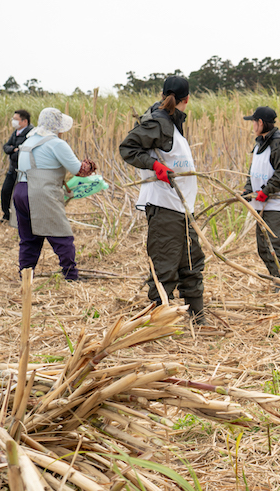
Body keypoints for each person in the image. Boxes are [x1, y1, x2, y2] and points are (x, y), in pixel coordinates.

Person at [118, 75, 206, 324]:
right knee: (165, 265)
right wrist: (155, 166)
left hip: (181, 206)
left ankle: (196, 316)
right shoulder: (159, 121)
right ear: (187, 99)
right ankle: (158, 323)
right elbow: (128, 147)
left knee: (191, 260)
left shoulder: (172, 122)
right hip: (165, 205)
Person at [11, 108, 96, 280]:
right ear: (57, 125)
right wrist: (89, 167)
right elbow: (77, 170)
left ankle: (26, 275)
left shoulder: (29, 140)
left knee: (29, 238)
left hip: (20, 190)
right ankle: (71, 275)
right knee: (61, 234)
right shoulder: (56, 143)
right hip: (40, 192)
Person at [241, 106, 280, 287]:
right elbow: (254, 172)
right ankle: (276, 279)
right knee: (263, 247)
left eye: (254, 122)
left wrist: (266, 191)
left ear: (261, 123)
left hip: (277, 205)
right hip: (262, 203)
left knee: (275, 246)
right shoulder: (259, 144)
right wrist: (248, 190)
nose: (253, 125)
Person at [2, 109, 34, 221]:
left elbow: (22, 153)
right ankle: (6, 215)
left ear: (24, 121)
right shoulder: (16, 132)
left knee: (21, 195)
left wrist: (14, 151)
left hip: (23, 171)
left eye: (16, 119)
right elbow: (6, 147)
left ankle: (22, 218)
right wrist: (13, 150)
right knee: (5, 191)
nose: (13, 121)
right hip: (12, 169)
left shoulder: (31, 134)